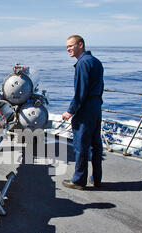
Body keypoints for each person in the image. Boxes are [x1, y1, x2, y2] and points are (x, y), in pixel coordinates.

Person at [62, 35, 104, 190]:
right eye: (67, 47)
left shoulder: (82, 63)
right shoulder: (96, 62)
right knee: (96, 144)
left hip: (86, 108)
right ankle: (97, 178)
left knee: (81, 145)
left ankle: (79, 180)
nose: (68, 49)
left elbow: (80, 92)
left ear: (81, 44)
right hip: (96, 106)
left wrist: (70, 111)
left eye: (71, 46)